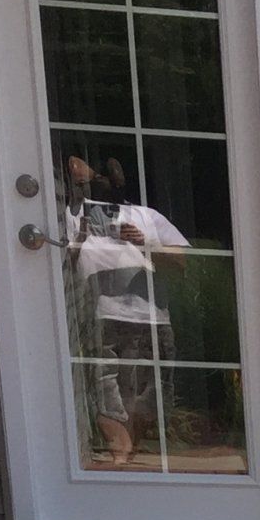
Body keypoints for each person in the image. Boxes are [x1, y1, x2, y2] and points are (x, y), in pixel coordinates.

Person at [61, 152, 188, 466]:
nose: (103, 181)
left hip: (152, 319)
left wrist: (145, 243)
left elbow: (181, 264)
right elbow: (66, 262)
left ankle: (135, 453)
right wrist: (84, 234)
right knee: (108, 390)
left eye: (112, 175)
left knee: (152, 390)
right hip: (103, 317)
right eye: (98, 175)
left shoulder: (147, 215)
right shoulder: (76, 214)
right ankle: (121, 455)